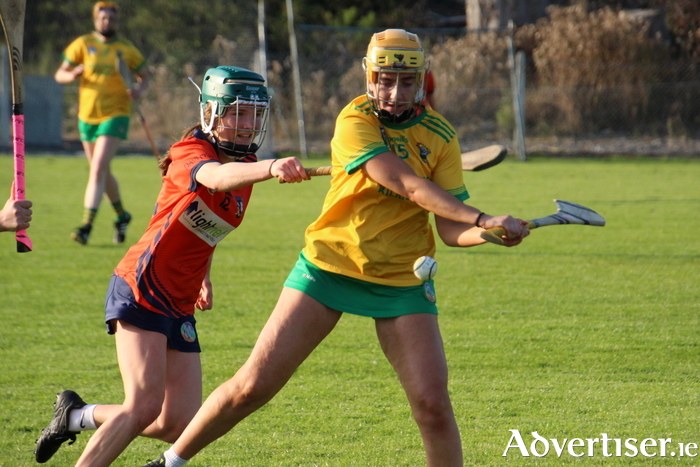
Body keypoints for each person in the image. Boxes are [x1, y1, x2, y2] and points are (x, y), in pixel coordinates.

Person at [139, 29, 529, 467]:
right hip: (329, 266)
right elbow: (405, 183)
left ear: (421, 80)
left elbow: (449, 230)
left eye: (404, 81)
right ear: (369, 76)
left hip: (401, 281)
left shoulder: (439, 136)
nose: (394, 91)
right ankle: (171, 461)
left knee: (433, 406)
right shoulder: (355, 119)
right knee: (253, 386)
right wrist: (480, 216)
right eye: (384, 79)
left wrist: (489, 232)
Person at [34, 66, 311, 467]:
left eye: (255, 114)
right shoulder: (193, 154)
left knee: (176, 420)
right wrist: (269, 167)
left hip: (179, 301)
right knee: (143, 404)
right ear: (212, 114)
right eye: (239, 112)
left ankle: (75, 415)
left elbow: (208, 220)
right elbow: (215, 180)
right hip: (142, 287)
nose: (249, 124)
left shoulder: (242, 162)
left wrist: (205, 276)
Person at [55, 1, 151, 246]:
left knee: (97, 168)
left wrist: (139, 90)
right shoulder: (84, 44)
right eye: (102, 18)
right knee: (101, 171)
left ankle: (86, 226)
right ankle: (122, 216)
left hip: (116, 114)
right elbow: (60, 74)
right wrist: (73, 74)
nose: (107, 22)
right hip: (87, 117)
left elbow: (144, 75)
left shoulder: (125, 49)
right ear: (95, 20)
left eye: (111, 18)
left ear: (116, 22)